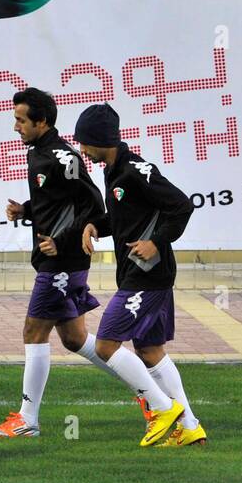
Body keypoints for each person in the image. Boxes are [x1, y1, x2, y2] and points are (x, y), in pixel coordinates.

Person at [0, 87, 112, 438]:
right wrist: (26, 210)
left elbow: (93, 205)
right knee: (74, 339)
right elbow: (59, 200)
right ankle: (151, 392)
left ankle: (28, 420)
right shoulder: (39, 153)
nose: (16, 127)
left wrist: (64, 240)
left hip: (62, 262)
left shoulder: (61, 156)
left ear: (41, 121)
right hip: (55, 260)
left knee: (33, 331)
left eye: (21, 120)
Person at [75, 104, 201, 447]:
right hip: (140, 275)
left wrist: (155, 242)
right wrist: (94, 224)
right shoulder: (113, 172)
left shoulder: (137, 171)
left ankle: (162, 408)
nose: (81, 149)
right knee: (150, 349)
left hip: (147, 276)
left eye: (85, 142)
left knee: (105, 345)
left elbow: (182, 205)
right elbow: (121, 217)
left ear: (102, 139)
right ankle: (189, 425)